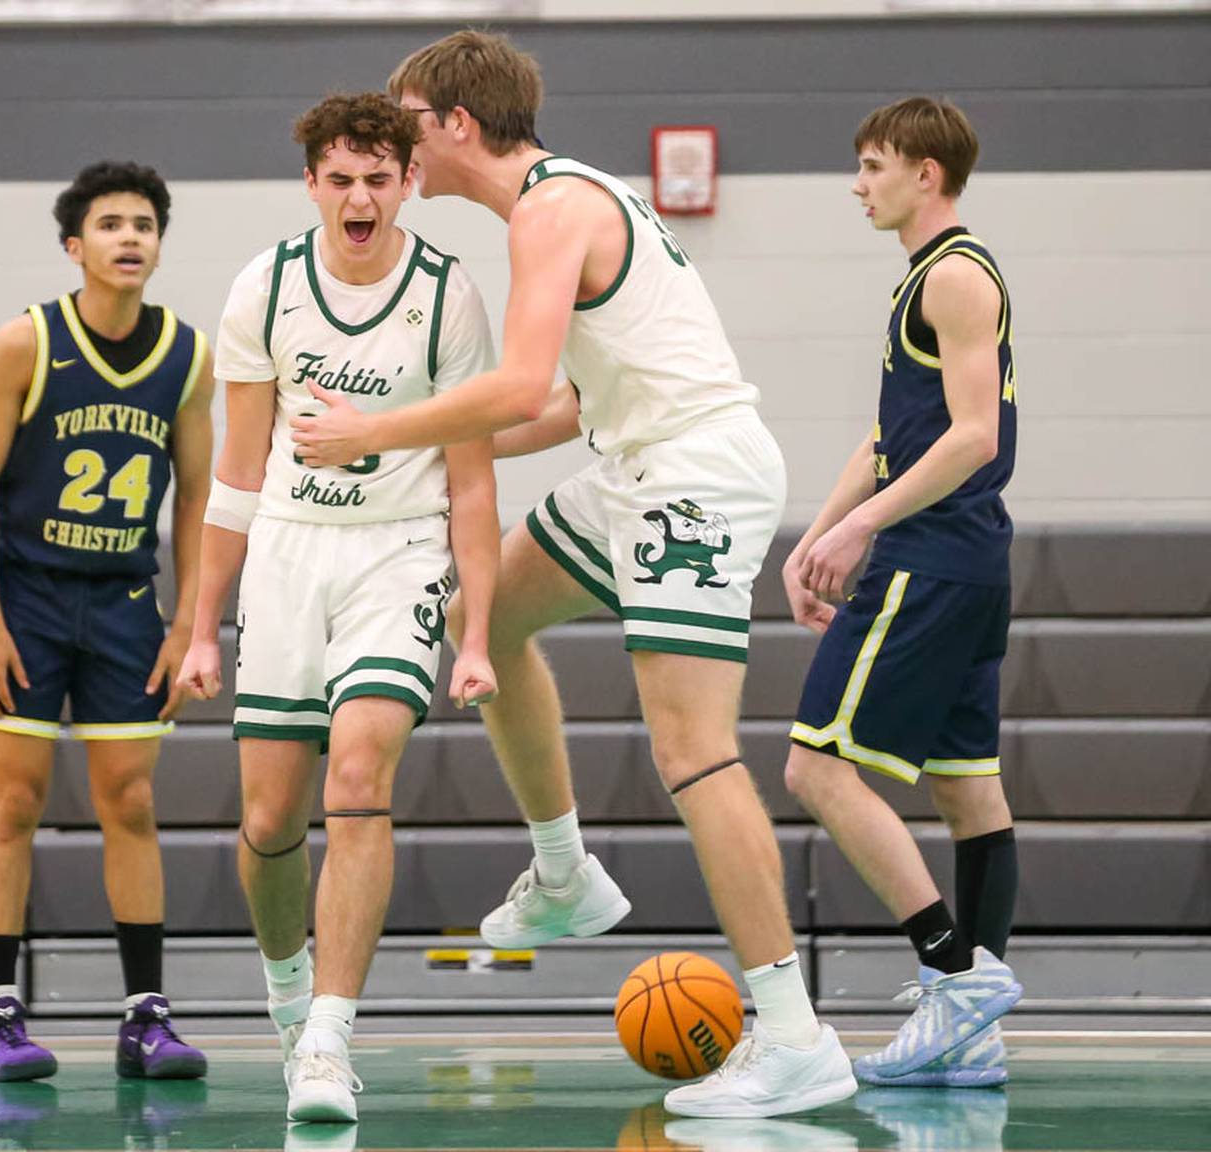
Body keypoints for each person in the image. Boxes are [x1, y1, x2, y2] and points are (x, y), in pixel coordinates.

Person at [291, 32, 857, 1119]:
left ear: (455, 124)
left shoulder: (552, 209)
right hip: (635, 464)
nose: (398, 140)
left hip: (690, 476)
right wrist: (415, 453)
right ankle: (563, 873)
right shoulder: (559, 199)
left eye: (408, 122)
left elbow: (514, 389)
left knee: (693, 752)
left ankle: (795, 1036)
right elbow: (563, 405)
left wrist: (373, 429)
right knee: (486, 612)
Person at [175, 92, 500, 1124]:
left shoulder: (447, 295)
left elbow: (474, 481)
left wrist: (478, 633)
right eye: (342, 179)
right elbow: (236, 472)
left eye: (379, 178)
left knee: (359, 776)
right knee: (269, 820)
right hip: (286, 552)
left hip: (398, 555)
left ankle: (329, 1035)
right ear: (311, 182)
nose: (360, 197)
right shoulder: (265, 286)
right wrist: (200, 625)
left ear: (409, 182)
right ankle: (287, 996)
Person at [0, 160, 213, 1083]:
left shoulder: (187, 354)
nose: (129, 237)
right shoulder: (23, 343)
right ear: (75, 246)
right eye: (110, 224)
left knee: (131, 803)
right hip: (27, 599)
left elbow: (198, 498)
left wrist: (191, 623)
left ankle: (146, 1019)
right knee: (15, 802)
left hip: (123, 603)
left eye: (144, 224)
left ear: (159, 245)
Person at [781, 97, 1023, 1087]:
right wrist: (817, 532)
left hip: (929, 557)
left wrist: (861, 529)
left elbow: (974, 437)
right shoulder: (928, 279)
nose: (858, 184)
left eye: (874, 165)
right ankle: (973, 1034)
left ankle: (953, 973)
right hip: (967, 560)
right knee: (968, 790)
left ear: (927, 173)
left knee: (815, 770)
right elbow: (893, 439)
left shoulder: (956, 275)